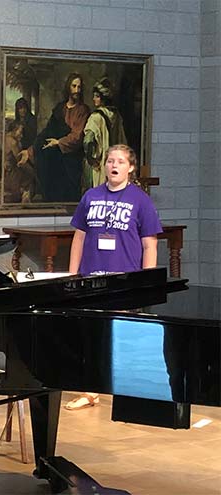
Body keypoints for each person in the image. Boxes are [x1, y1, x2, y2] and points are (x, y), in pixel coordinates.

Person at [65, 144, 161, 410]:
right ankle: (89, 390)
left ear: (130, 167)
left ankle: (129, 392)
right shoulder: (91, 196)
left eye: (119, 161)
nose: (113, 165)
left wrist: (147, 282)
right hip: (91, 277)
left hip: (124, 280)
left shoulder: (140, 200)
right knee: (91, 334)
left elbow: (149, 244)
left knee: (123, 335)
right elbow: (79, 237)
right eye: (109, 161)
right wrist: (73, 275)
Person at [18, 73, 90, 203]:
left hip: (71, 159)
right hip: (56, 157)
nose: (76, 90)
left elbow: (77, 136)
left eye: (79, 87)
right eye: (74, 86)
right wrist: (29, 151)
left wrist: (58, 142)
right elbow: (47, 132)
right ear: (68, 87)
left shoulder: (83, 110)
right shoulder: (60, 108)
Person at [82, 77, 127, 192]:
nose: (93, 99)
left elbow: (87, 141)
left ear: (103, 98)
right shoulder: (117, 116)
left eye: (96, 96)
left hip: (100, 165)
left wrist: (91, 160)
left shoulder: (95, 118)